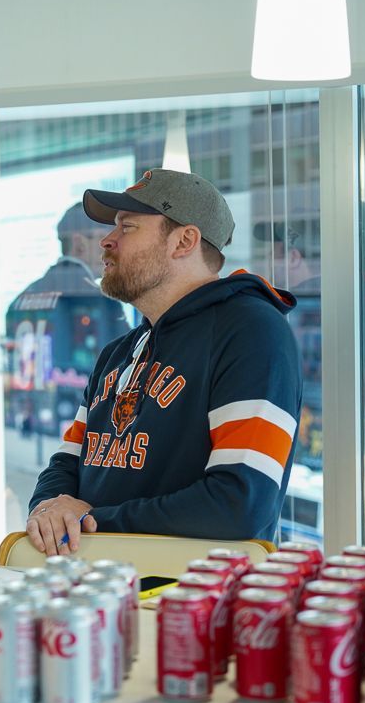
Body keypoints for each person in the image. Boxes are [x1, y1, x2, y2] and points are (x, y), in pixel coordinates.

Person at [26, 169, 302, 555]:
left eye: (128, 227)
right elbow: (65, 464)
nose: (107, 240)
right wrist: (49, 511)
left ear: (184, 241)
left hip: (189, 600)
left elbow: (239, 503)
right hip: (97, 588)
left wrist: (92, 521)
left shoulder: (252, 331)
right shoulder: (118, 352)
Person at [255, 222, 365, 505]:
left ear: (293, 258)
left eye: (273, 256)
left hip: (303, 452)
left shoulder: (290, 310)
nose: (266, 266)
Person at [5, 203, 131, 439]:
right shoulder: (102, 302)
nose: (113, 247)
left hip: (39, 424)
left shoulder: (22, 298)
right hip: (89, 430)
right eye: (103, 240)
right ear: (80, 243)